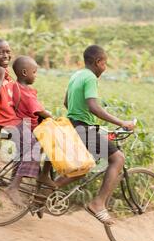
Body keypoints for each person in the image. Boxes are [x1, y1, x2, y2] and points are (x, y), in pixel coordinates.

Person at [56, 45, 135, 225]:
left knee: (84, 167)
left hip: (72, 125)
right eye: (105, 63)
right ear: (98, 62)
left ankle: (49, 188)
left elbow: (66, 102)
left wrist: (83, 119)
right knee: (118, 158)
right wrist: (122, 122)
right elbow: (93, 106)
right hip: (83, 128)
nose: (105, 68)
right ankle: (98, 203)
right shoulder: (91, 77)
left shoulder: (77, 75)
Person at [0, 39, 39, 207]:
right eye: (0, 52)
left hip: (12, 117)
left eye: (7, 51)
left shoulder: (5, 73)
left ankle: (19, 180)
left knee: (34, 139)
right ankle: (14, 187)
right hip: (3, 119)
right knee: (33, 145)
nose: (5, 55)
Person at [4, 55, 56, 201]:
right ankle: (14, 186)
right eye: (34, 72)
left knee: (33, 148)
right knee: (35, 147)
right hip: (26, 125)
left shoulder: (16, 86)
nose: (36, 75)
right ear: (25, 73)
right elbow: (39, 110)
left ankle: (39, 176)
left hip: (23, 124)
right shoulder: (26, 91)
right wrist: (50, 116)